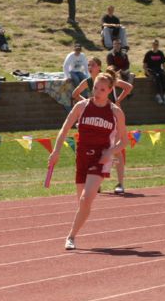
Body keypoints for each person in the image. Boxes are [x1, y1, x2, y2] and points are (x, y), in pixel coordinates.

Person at [49, 70, 127, 250]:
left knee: (85, 200)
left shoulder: (116, 112)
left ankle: (71, 236)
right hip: (82, 157)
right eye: (96, 88)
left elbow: (124, 141)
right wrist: (56, 152)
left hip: (101, 158)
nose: (97, 92)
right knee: (82, 204)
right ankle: (77, 229)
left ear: (109, 91)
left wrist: (110, 152)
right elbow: (64, 129)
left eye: (102, 90)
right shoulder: (81, 106)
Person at [143, 39, 165, 104]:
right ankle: (158, 95)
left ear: (158, 45)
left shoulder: (160, 53)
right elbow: (144, 65)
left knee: (163, 76)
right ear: (152, 45)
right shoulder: (148, 53)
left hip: (158, 69)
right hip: (151, 69)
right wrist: (146, 71)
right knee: (156, 77)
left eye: (156, 44)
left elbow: (164, 63)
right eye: (154, 44)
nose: (155, 45)